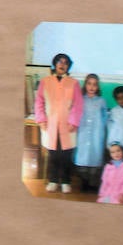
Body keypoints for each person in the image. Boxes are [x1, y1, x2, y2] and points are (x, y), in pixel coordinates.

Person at [33, 53, 83, 193]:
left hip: (68, 126)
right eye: (60, 62)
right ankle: (53, 180)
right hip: (50, 125)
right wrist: (41, 119)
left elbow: (78, 105)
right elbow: (39, 102)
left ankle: (66, 181)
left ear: (68, 66)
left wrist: (73, 121)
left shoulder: (74, 83)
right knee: (53, 154)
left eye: (66, 63)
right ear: (55, 64)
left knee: (66, 154)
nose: (62, 64)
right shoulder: (45, 81)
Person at [74, 73, 108, 193]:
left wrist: (101, 129)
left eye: (95, 84)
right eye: (89, 83)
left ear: (98, 87)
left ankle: (93, 184)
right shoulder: (80, 99)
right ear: (85, 85)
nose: (92, 87)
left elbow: (105, 118)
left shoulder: (102, 101)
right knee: (82, 158)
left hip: (96, 134)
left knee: (95, 157)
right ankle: (84, 182)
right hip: (83, 132)